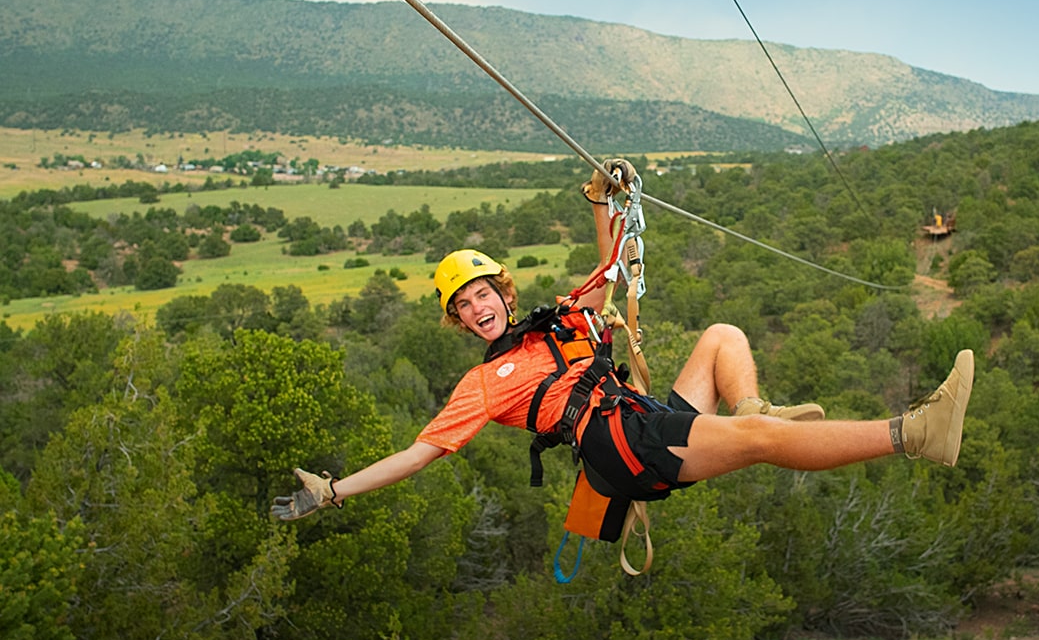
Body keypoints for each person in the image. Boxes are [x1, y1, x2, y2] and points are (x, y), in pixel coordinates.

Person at [271, 159, 974, 521]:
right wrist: (334, 492)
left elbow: (608, 272)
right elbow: (416, 455)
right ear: (458, 325)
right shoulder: (482, 385)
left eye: (483, 294)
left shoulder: (558, 324)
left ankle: (753, 406)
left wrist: (605, 201)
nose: (478, 308)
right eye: (464, 306)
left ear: (503, 295)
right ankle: (914, 432)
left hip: (636, 421)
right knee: (759, 449)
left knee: (723, 337)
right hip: (617, 447)